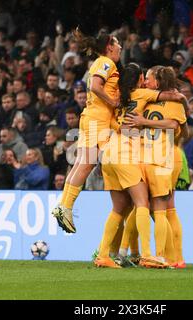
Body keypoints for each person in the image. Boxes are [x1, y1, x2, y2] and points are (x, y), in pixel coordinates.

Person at [95, 63, 186, 268]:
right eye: (143, 77)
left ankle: (105, 254)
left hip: (109, 153)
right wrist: (180, 97)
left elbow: (114, 124)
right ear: (138, 79)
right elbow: (173, 102)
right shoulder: (142, 94)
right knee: (145, 205)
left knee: (119, 208)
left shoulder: (117, 98)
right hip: (129, 155)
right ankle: (147, 255)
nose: (145, 80)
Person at [52, 29, 122, 234]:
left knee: (82, 162)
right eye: (117, 44)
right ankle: (65, 206)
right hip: (98, 118)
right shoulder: (106, 62)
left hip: (91, 117)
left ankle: (64, 205)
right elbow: (95, 85)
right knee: (87, 162)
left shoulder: (101, 63)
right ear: (109, 46)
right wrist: (114, 102)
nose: (120, 48)